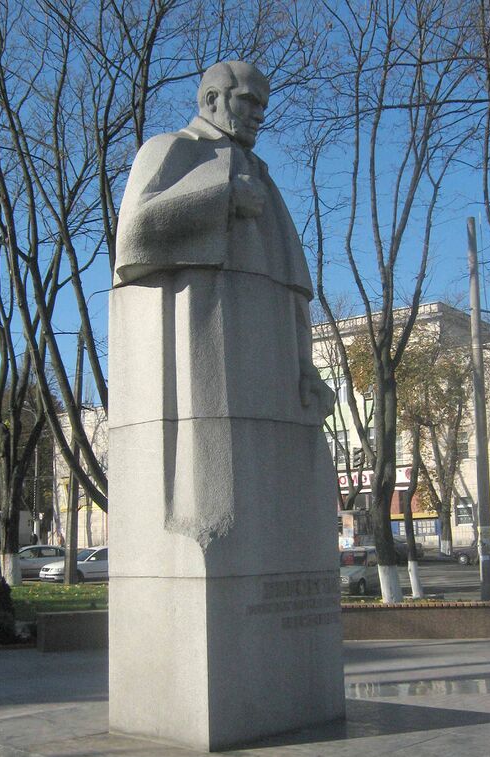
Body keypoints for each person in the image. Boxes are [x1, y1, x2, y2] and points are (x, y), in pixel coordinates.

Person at [113, 60, 335, 552]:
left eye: (263, 104)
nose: (259, 113)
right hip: (205, 355)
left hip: (272, 365)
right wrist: (221, 198)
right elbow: (133, 237)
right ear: (213, 99)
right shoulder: (172, 149)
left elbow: (294, 286)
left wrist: (306, 366)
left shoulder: (263, 175)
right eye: (248, 100)